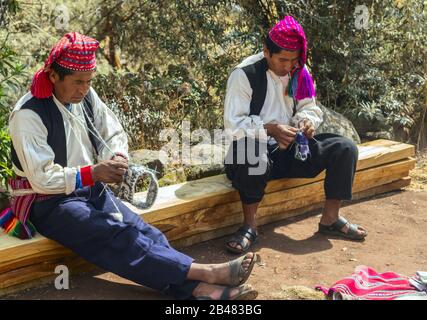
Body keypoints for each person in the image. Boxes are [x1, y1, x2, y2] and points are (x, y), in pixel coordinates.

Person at [4, 32, 259, 300]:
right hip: (47, 203)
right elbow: (42, 177)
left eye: (89, 82)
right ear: (54, 76)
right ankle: (208, 274)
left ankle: (201, 291)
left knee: (144, 231)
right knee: (115, 234)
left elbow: (112, 133)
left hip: (87, 189)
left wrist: (116, 157)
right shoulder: (28, 114)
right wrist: (94, 173)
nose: (83, 89)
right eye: (78, 82)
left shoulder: (86, 96)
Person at [223, 16, 367, 255]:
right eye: (282, 60)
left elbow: (309, 106)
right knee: (252, 154)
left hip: (289, 150)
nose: (288, 66)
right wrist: (270, 129)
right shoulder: (244, 74)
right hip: (251, 152)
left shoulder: (301, 71)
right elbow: (233, 125)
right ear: (266, 51)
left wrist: (307, 123)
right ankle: (249, 226)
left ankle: (330, 219)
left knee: (345, 148)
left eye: (293, 60)